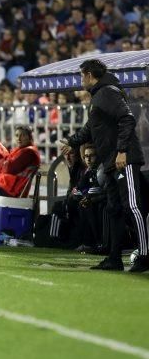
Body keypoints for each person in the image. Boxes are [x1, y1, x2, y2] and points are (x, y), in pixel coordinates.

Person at [61, 59, 148, 272]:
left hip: (122, 160)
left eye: (82, 75)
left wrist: (122, 151)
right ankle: (114, 258)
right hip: (109, 162)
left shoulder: (108, 92)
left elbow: (127, 119)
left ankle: (145, 255)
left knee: (132, 207)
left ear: (90, 75)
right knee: (114, 210)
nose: (81, 80)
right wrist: (72, 142)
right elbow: (91, 128)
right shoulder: (99, 96)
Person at [0, 126, 41, 198]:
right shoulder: (20, 150)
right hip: (8, 187)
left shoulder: (29, 152)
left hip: (13, 190)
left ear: (30, 137)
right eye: (17, 135)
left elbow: (9, 169)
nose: (19, 138)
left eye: (23, 135)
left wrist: (4, 163)